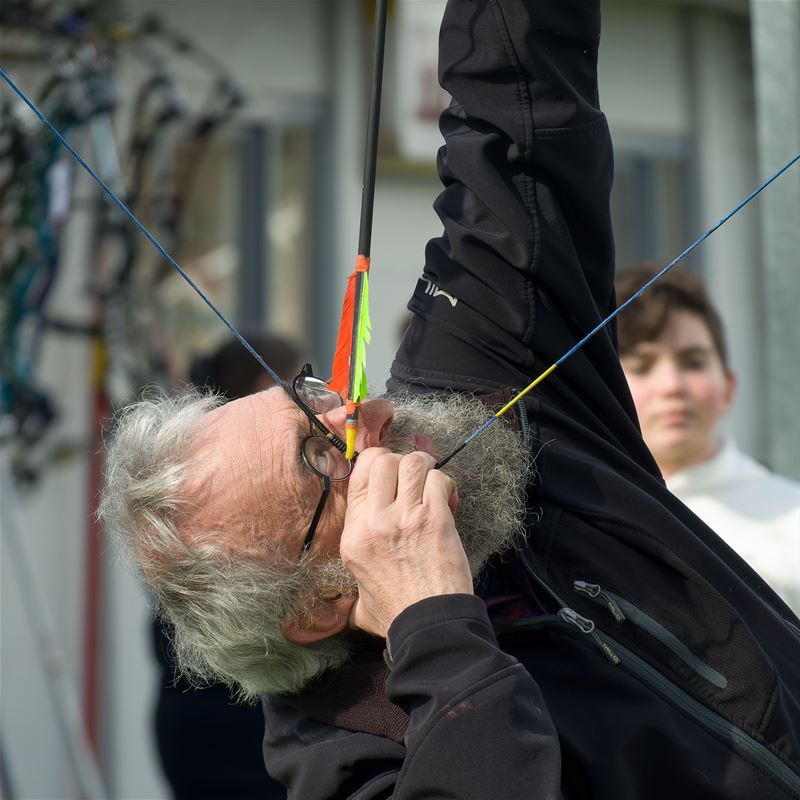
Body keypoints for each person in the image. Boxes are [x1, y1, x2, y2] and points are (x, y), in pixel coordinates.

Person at [100, 2, 800, 798]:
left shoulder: (468, 385)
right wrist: (434, 620)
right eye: (319, 453)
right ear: (321, 603)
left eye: (312, 396)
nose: (364, 413)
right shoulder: (347, 765)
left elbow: (513, 125)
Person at [151, 333, 302, 799]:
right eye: (302, 385)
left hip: (198, 719)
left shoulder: (189, 468)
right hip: (237, 722)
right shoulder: (238, 482)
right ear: (265, 387)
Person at [616, 264, 800, 614]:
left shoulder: (793, 517)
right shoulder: (577, 517)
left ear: (728, 387)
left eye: (694, 363)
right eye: (642, 366)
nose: (672, 386)